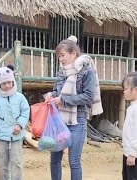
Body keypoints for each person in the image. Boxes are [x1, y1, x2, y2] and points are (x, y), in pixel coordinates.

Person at [44, 35, 103, 180]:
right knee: (55, 159)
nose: (61, 59)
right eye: (59, 56)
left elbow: (88, 96)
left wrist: (63, 100)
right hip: (59, 120)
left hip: (78, 120)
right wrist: (50, 95)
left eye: (63, 55)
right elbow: (57, 91)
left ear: (73, 53)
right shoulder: (61, 72)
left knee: (74, 161)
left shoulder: (86, 71)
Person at [0, 65, 30, 180]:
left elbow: (25, 112)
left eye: (9, 82)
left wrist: (19, 124)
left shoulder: (20, 97)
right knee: (2, 164)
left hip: (17, 136)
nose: (7, 85)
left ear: (13, 81)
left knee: (16, 162)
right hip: (2, 137)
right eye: (4, 83)